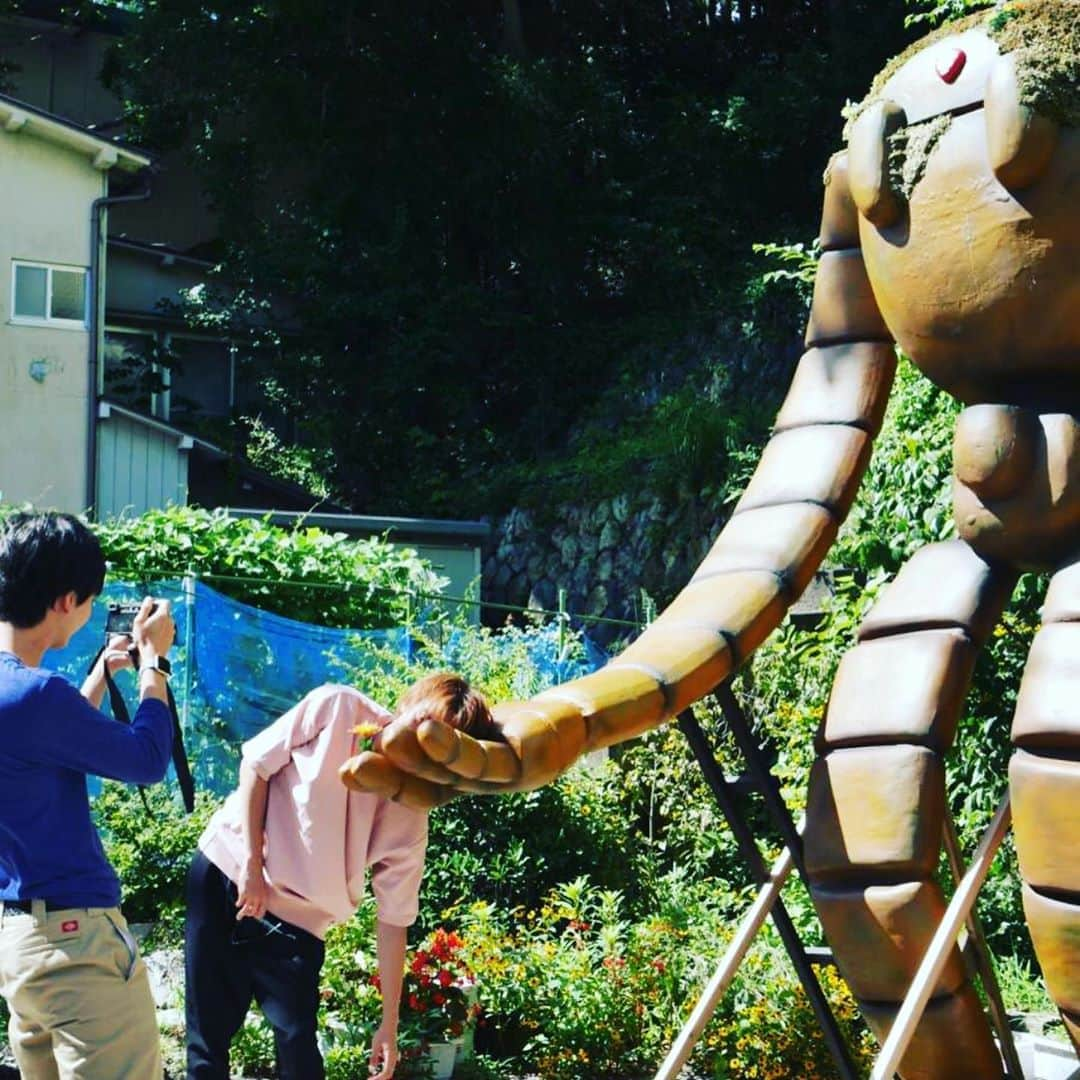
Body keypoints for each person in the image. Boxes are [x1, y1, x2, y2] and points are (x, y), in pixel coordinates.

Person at [185, 671, 496, 1080]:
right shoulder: (338, 706)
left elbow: (394, 918)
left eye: (440, 753)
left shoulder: (411, 816)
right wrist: (252, 865)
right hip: (228, 873)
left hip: (297, 923)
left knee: (299, 1051)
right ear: (409, 709)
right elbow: (256, 767)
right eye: (425, 731)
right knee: (207, 1045)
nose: (424, 752)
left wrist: (389, 1024)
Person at [0, 511, 176, 1080]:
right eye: (89, 601)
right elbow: (147, 761)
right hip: (76, 949)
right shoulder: (37, 697)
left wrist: (100, 676)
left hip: (22, 945)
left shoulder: (24, 697)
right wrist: (156, 667)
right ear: (65, 599)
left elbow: (42, 741)